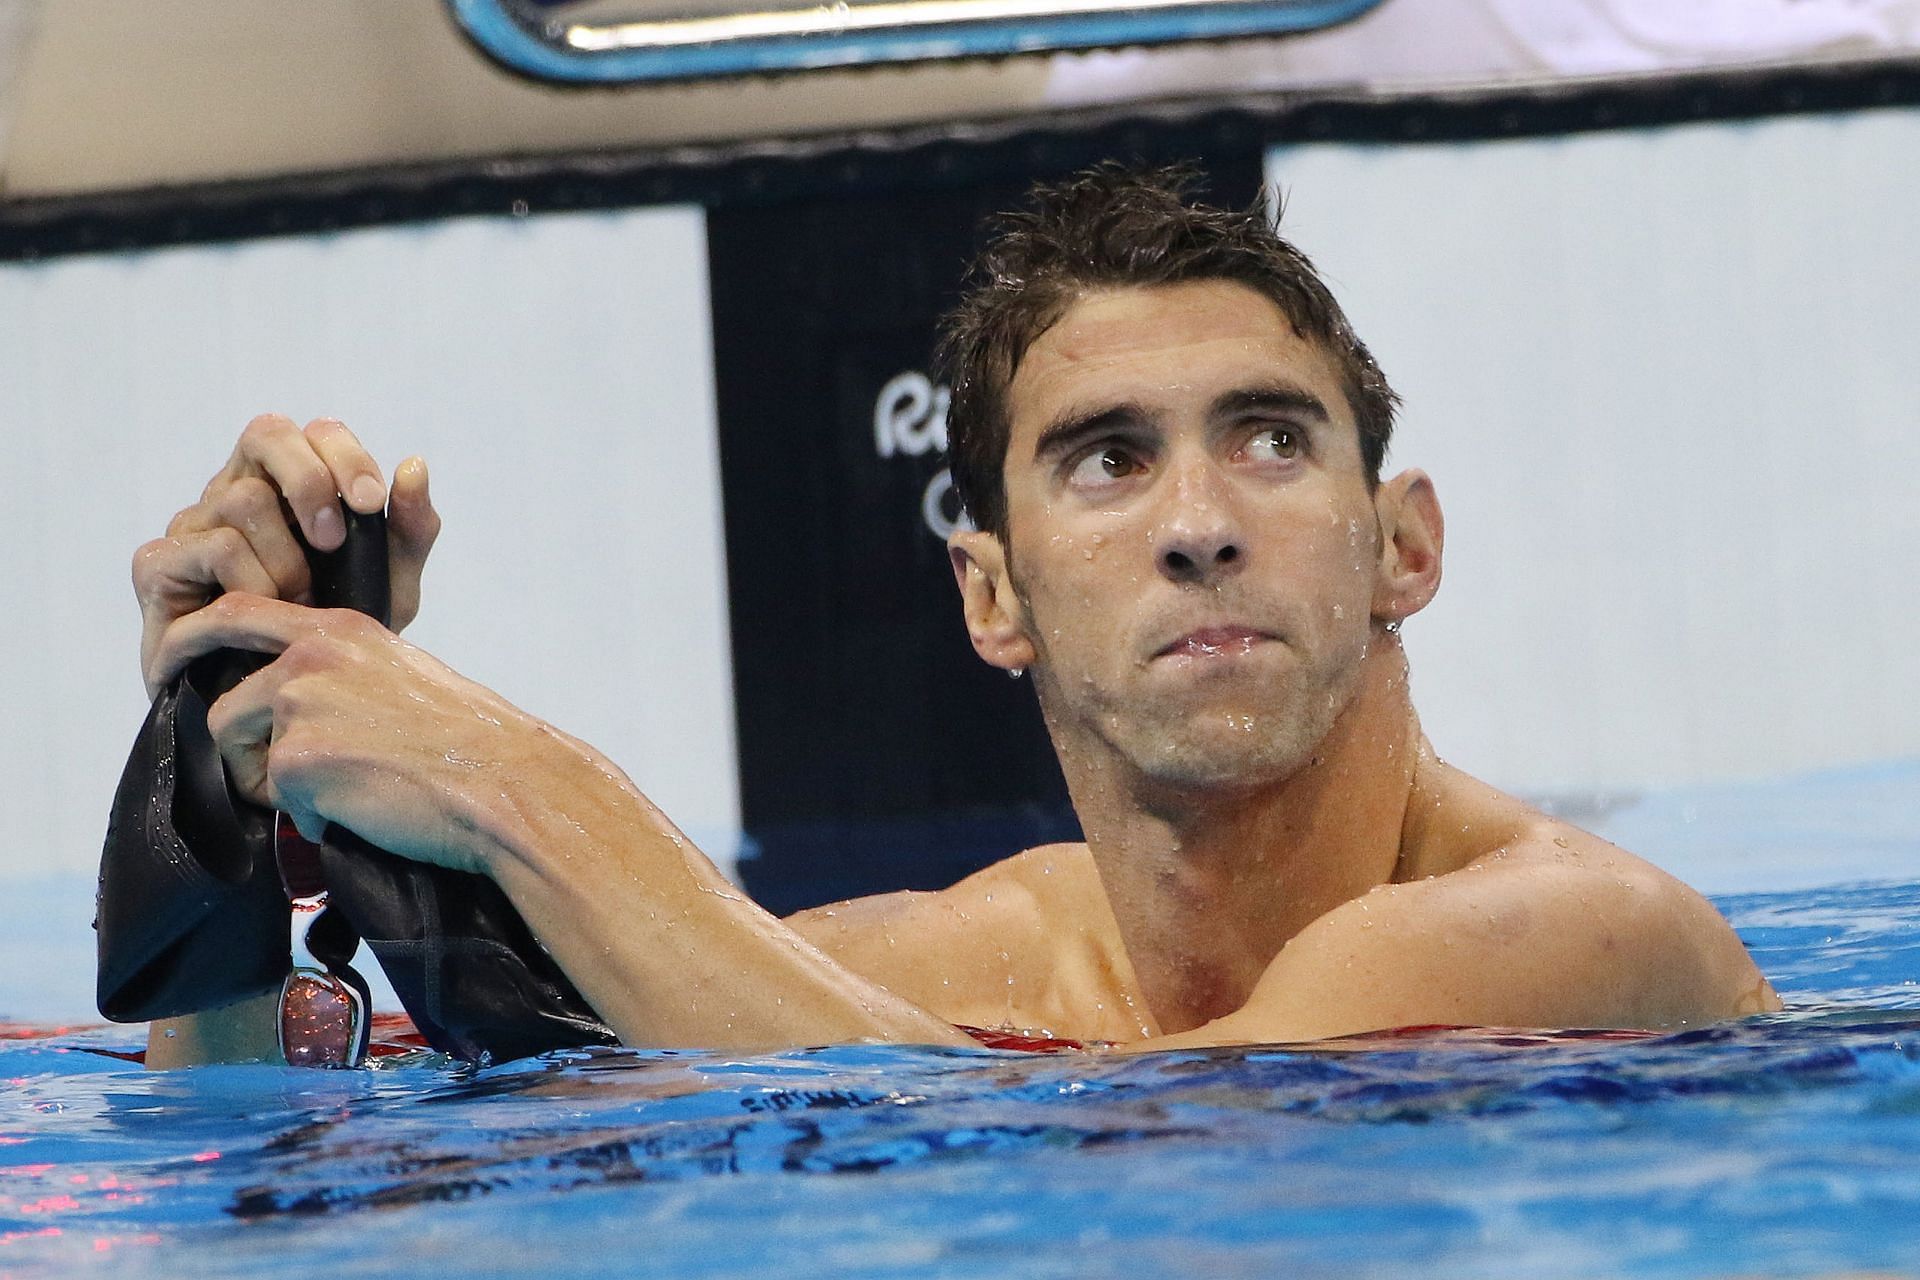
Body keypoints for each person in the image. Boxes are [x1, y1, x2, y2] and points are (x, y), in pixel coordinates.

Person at [139, 165, 1778, 1066]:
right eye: (1109, 460)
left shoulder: (1577, 934)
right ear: (991, 594)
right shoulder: (950, 962)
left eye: (1271, 439)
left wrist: (519, 788)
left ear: (1401, 550)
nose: (1200, 525)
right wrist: (213, 755)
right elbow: (259, 1135)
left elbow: (1183, 1168)